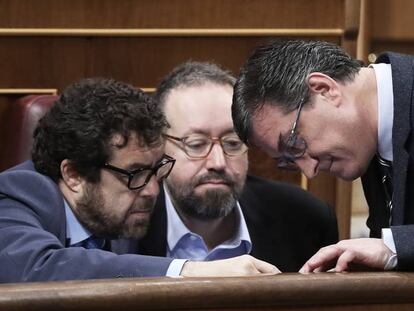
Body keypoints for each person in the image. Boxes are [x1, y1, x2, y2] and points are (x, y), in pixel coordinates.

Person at [0, 78, 279, 283]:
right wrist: (190, 270)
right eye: (135, 174)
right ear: (74, 175)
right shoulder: (17, 195)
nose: (152, 190)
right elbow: (34, 267)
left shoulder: (118, 212)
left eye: (156, 170)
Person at [231, 39, 414, 272]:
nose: (310, 170)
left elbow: (394, 247)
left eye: (294, 143)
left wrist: (393, 247)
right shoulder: (366, 139)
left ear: (324, 89)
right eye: (289, 161)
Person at [137, 61, 338, 272]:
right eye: (196, 145)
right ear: (160, 148)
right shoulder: (127, 221)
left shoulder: (305, 219)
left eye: (232, 143)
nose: (218, 163)